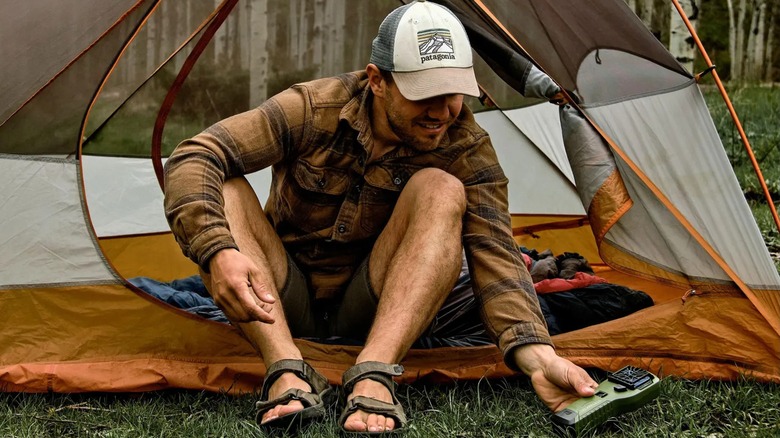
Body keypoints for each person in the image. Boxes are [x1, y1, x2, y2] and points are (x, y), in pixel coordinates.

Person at [164, 0, 597, 433]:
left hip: (376, 308)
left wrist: (537, 355)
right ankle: (286, 370)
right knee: (225, 185)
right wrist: (216, 251)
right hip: (278, 300)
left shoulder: (467, 148)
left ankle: (373, 374)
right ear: (378, 81)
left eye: (453, 92)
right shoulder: (313, 108)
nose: (442, 111)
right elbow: (195, 154)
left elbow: (496, 254)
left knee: (441, 187)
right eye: (424, 93)